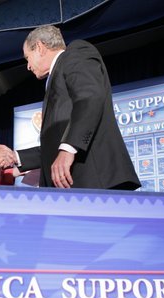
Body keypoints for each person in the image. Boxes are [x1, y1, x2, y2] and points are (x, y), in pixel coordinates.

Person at [17, 25, 141, 190]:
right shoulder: (55, 78)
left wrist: (68, 149)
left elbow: (89, 97)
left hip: (96, 181)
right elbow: (55, 140)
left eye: (27, 58)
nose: (28, 66)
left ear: (40, 47)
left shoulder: (75, 53)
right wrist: (16, 158)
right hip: (74, 185)